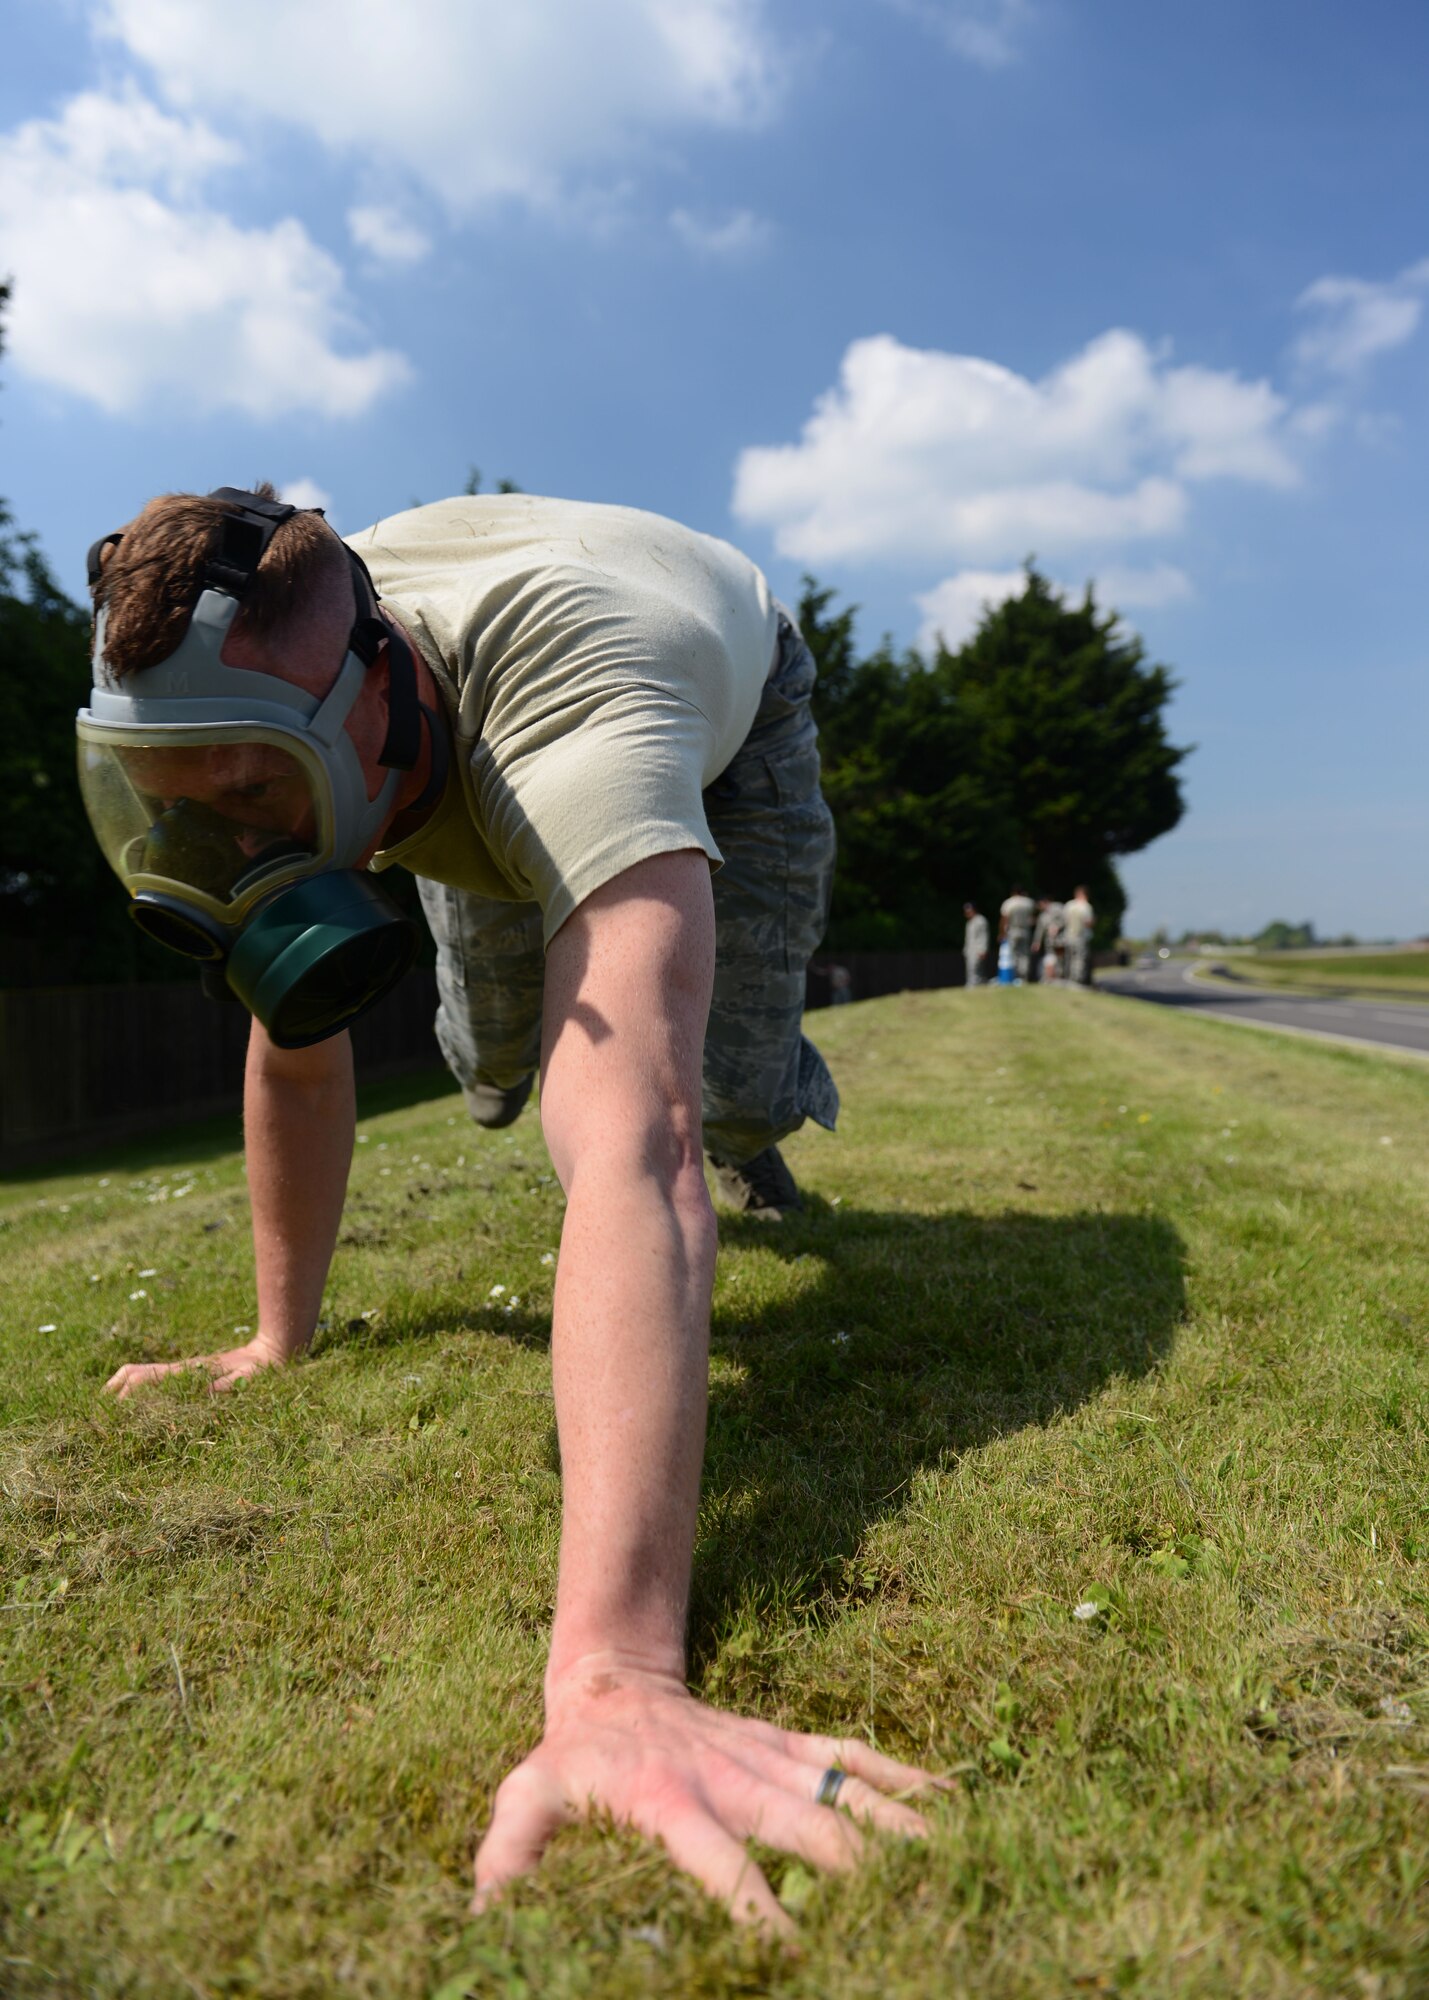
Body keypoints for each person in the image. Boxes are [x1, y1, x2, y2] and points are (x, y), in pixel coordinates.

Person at [80, 486, 939, 1930]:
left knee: (699, 1089)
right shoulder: (305, 714)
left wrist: (614, 1682)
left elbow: (633, 1151)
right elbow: (294, 1043)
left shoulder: (582, 693)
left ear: (366, 696)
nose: (222, 843)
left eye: (247, 800)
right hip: (439, 746)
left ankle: (768, 1131)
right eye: (176, 792)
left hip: (712, 694)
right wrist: (275, 1340)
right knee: (490, 1066)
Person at [999, 884, 1036, 984]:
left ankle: (1014, 977)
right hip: (1025, 930)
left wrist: (1002, 933)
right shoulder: (1028, 902)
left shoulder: (1009, 902)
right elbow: (1032, 918)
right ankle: (1023, 977)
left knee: (1014, 954)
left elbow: (1004, 919)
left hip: (1013, 930)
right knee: (1024, 954)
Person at [1062, 884, 1096, 986]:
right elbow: (1088, 923)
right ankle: (1078, 979)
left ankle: (1070, 977)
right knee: (1080, 959)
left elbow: (1064, 920)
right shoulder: (1086, 906)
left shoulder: (1069, 905)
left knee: (1070, 957)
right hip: (1081, 936)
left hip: (1068, 935)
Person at [1032, 897, 1064, 982]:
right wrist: (1037, 942)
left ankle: (1060, 976)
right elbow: (1039, 930)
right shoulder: (1042, 916)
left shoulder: (1058, 908)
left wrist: (1058, 926)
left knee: (1060, 959)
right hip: (1050, 942)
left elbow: (1066, 919)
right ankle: (1050, 977)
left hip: (1061, 940)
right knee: (1050, 959)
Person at [962, 900, 989, 987]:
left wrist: (982, 949)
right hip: (970, 950)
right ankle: (974, 985)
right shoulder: (970, 922)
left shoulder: (980, 920)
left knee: (975, 969)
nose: (967, 913)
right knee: (971, 969)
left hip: (977, 950)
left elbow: (983, 936)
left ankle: (973, 986)